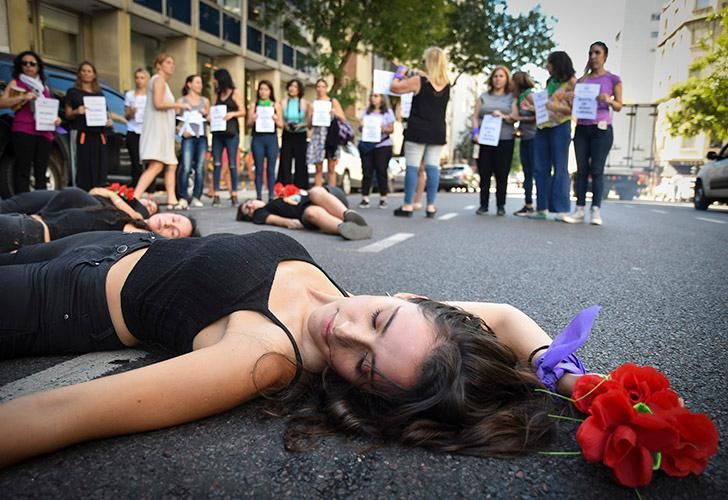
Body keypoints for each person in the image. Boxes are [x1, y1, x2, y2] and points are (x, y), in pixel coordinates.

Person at [0, 227, 593, 468]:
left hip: (58, 302)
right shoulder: (411, 319)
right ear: (410, 299)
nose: (346, 329)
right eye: (379, 319)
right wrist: (573, 379)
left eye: (363, 364)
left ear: (360, 392)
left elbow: (64, 411)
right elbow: (508, 320)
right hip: (119, 241)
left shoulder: (264, 358)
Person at [0, 192, 197, 252]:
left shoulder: (136, 235)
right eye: (174, 219)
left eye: (173, 232)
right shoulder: (134, 219)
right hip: (30, 220)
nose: (167, 225)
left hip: (28, 233)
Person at [562, 42, 623, 226]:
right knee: (581, 171)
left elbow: (619, 105)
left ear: (605, 56)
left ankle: (595, 210)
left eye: (597, 53)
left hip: (602, 129)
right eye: (591, 53)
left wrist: (609, 101)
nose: (594, 56)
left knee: (597, 170)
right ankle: (579, 210)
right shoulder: (582, 81)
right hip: (582, 128)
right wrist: (570, 99)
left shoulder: (613, 79)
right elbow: (574, 108)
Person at [390, 47, 450, 218]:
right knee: (432, 168)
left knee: (412, 167)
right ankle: (431, 206)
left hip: (418, 129)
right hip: (437, 130)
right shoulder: (447, 84)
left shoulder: (419, 81)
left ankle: (408, 205)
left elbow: (395, 87)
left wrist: (400, 72)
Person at [135, 53, 190, 210]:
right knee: (157, 165)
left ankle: (172, 199)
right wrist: (179, 105)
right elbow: (158, 103)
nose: (172, 65)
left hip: (164, 129)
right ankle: (135, 196)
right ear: (159, 65)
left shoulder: (162, 82)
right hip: (157, 129)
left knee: (171, 164)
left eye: (173, 63)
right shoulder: (158, 80)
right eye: (168, 62)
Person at [0, 51, 59, 193]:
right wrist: (23, 97)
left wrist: (57, 119)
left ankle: (41, 205)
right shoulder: (16, 83)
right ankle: (23, 206)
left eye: (32, 63)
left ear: (38, 67)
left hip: (44, 132)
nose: (28, 66)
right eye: (24, 63)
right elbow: (2, 102)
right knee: (23, 169)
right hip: (24, 130)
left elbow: (50, 108)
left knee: (41, 171)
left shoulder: (44, 87)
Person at [528, 52, 576, 221]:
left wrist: (552, 106)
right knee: (540, 168)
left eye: (549, 63)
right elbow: (545, 105)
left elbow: (573, 110)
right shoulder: (550, 82)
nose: (546, 66)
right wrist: (535, 108)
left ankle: (561, 209)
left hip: (560, 127)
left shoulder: (572, 83)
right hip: (543, 127)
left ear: (557, 64)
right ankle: (542, 208)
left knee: (560, 167)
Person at [237, 186, 372, 240]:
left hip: (329, 199)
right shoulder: (260, 213)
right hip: (306, 211)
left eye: (249, 202)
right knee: (312, 213)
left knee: (315, 192)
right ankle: (349, 228)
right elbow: (273, 219)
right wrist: (287, 222)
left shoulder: (275, 198)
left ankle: (348, 215)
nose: (250, 206)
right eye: (247, 210)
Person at [472, 66, 516, 216]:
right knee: (484, 173)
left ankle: (500, 205)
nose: (498, 79)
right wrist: (475, 132)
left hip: (504, 139)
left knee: (502, 174)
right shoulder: (483, 96)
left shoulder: (511, 98)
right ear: (491, 79)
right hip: (485, 140)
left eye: (501, 76)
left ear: (506, 79)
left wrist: (503, 116)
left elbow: (515, 117)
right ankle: (483, 205)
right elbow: (475, 116)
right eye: (495, 76)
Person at [64, 61, 112, 191]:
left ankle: (98, 196)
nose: (86, 73)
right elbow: (67, 114)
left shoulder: (99, 94)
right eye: (83, 70)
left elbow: (106, 113)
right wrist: (76, 111)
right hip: (81, 133)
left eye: (89, 71)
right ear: (79, 73)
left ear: (94, 75)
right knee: (82, 166)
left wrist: (109, 121)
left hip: (98, 134)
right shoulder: (73, 92)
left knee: (99, 167)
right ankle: (80, 194)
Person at [0, 186, 157, 218]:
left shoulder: (139, 212)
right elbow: (95, 190)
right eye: (150, 203)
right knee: (22, 202)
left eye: (151, 209)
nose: (149, 205)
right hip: (86, 198)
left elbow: (135, 217)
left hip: (89, 207)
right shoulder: (129, 197)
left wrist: (110, 195)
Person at [211, 68, 245, 207]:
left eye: (215, 79)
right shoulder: (217, 95)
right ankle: (216, 193)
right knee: (217, 163)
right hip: (218, 133)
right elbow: (213, 110)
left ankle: (234, 194)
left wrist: (232, 114)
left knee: (232, 163)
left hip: (231, 132)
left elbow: (243, 111)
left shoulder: (235, 93)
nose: (213, 81)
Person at [176, 74, 210, 208]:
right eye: (197, 82)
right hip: (188, 138)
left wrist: (206, 114)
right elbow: (175, 122)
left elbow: (211, 120)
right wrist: (181, 132)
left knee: (200, 168)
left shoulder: (205, 101)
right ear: (188, 84)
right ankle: (183, 197)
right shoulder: (181, 101)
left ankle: (197, 196)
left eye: (201, 83)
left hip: (201, 137)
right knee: (185, 166)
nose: (200, 85)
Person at [247, 80, 283, 201]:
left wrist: (276, 119)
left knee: (271, 168)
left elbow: (281, 124)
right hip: (258, 138)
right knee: (258, 167)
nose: (263, 92)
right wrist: (252, 119)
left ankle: (271, 195)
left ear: (270, 91)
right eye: (261, 89)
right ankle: (258, 195)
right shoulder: (254, 105)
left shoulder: (275, 105)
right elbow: (248, 124)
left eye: (266, 89)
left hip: (271, 138)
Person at [306, 79, 346, 187]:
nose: (320, 89)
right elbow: (309, 126)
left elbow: (343, 119)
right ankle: (319, 193)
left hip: (330, 135)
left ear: (326, 88)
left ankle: (332, 193)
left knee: (331, 167)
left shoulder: (332, 102)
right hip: (318, 137)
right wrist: (312, 116)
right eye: (318, 86)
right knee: (318, 168)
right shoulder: (312, 104)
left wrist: (335, 112)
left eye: (323, 86)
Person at [358, 93, 395, 209]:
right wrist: (363, 126)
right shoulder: (366, 112)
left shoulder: (387, 112)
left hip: (382, 145)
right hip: (368, 145)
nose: (374, 98)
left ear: (382, 98)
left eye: (377, 96)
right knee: (366, 171)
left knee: (381, 171)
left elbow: (391, 129)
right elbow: (360, 127)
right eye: (373, 96)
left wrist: (381, 128)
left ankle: (383, 197)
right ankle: (365, 197)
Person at [511, 71, 537, 216]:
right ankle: (528, 205)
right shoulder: (519, 98)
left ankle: (540, 206)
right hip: (525, 138)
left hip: (534, 138)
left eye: (512, 81)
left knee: (534, 172)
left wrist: (519, 117)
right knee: (527, 172)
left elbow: (539, 115)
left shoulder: (529, 95)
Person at [278, 79, 309, 188]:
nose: (292, 89)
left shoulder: (304, 103)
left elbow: (309, 122)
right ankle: (285, 187)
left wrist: (300, 126)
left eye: (295, 87)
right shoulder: (284, 102)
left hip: (300, 134)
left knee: (300, 162)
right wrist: (286, 125)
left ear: (299, 89)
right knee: (285, 161)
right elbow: (280, 119)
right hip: (287, 133)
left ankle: (301, 188)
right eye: (290, 86)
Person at [124, 68, 149, 188]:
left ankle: (150, 190)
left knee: (149, 161)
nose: (139, 80)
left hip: (147, 131)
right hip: (133, 130)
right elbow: (126, 116)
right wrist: (132, 112)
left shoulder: (151, 95)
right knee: (135, 162)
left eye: (142, 78)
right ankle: (135, 188)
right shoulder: (130, 95)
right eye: (137, 77)